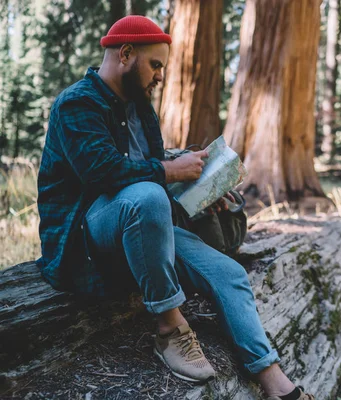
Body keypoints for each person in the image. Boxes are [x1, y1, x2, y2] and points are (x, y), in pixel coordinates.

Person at [36, 15, 313, 400]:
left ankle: (275, 382)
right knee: (147, 196)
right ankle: (169, 328)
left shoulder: (140, 109)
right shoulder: (76, 104)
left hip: (136, 227)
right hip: (83, 238)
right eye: (156, 65)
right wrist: (168, 170)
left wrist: (201, 197)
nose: (161, 76)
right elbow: (102, 174)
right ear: (126, 54)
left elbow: (146, 189)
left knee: (229, 273)